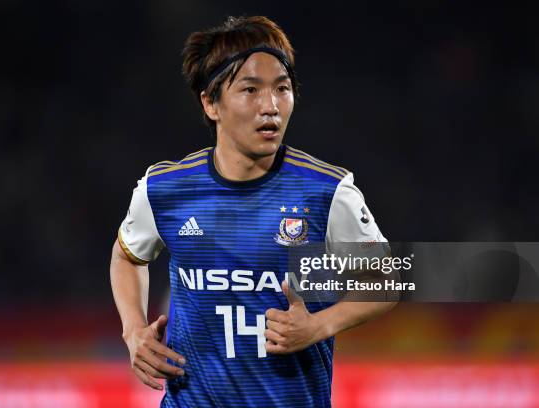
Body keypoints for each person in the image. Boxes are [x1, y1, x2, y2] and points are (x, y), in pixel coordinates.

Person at [110, 15, 396, 407]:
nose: (271, 107)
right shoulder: (164, 190)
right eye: (250, 89)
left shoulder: (326, 192)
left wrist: (317, 326)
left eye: (282, 89)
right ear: (210, 103)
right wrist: (133, 330)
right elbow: (127, 255)